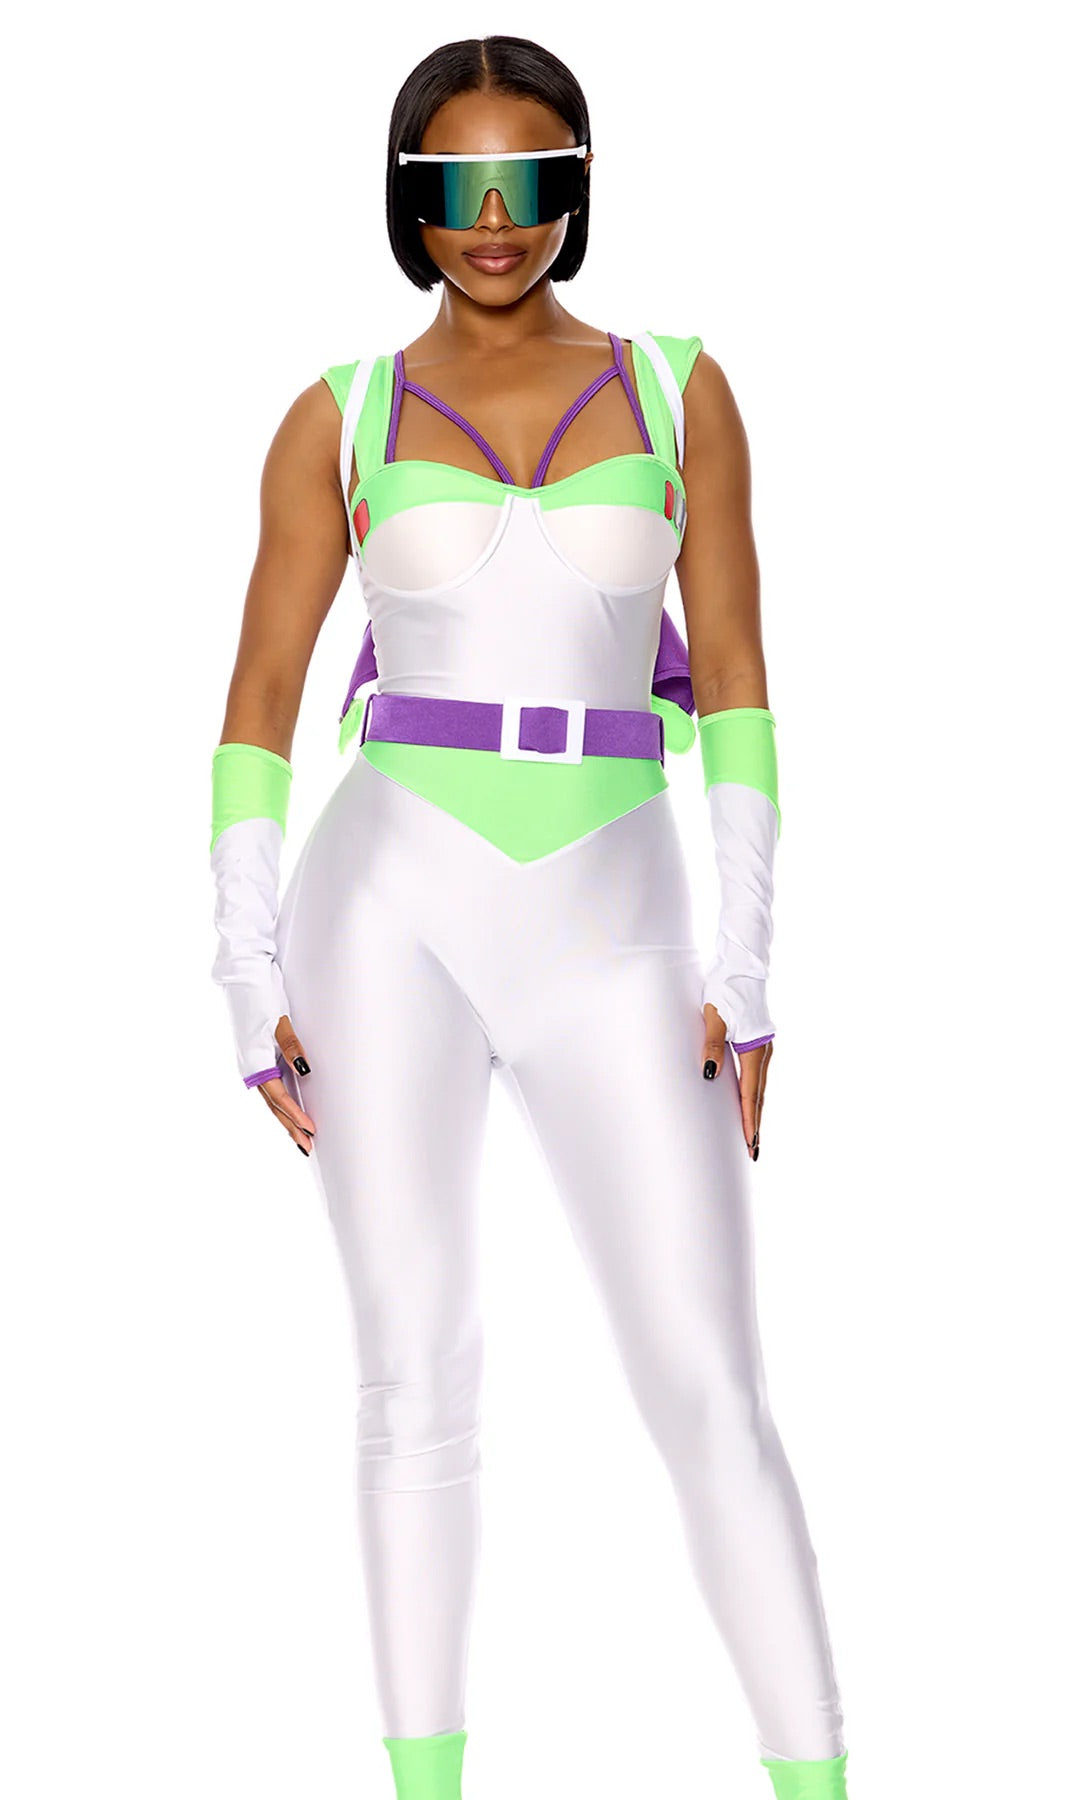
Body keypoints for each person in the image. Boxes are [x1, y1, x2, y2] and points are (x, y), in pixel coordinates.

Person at [208, 33, 850, 1800]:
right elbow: (261, 699)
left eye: (532, 180)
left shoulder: (679, 390)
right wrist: (243, 965)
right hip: (384, 908)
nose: (494, 221)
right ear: (408, 198)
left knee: (710, 1384)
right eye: (456, 186)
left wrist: (746, 964)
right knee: (413, 1372)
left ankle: (819, 1779)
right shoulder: (338, 412)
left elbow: (738, 681)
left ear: (577, 185)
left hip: (616, 913)